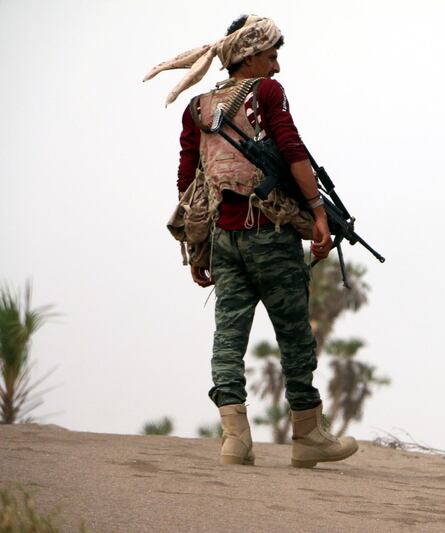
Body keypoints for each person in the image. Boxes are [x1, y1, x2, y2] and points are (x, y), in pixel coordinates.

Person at [144, 15, 358, 468]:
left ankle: (234, 439)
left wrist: (197, 249)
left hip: (223, 240)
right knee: (296, 336)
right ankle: (307, 434)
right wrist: (318, 212)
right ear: (250, 55)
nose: (277, 67)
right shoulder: (266, 94)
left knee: (228, 338)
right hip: (269, 235)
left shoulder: (198, 108)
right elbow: (292, 148)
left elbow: (189, 180)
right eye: (272, 55)